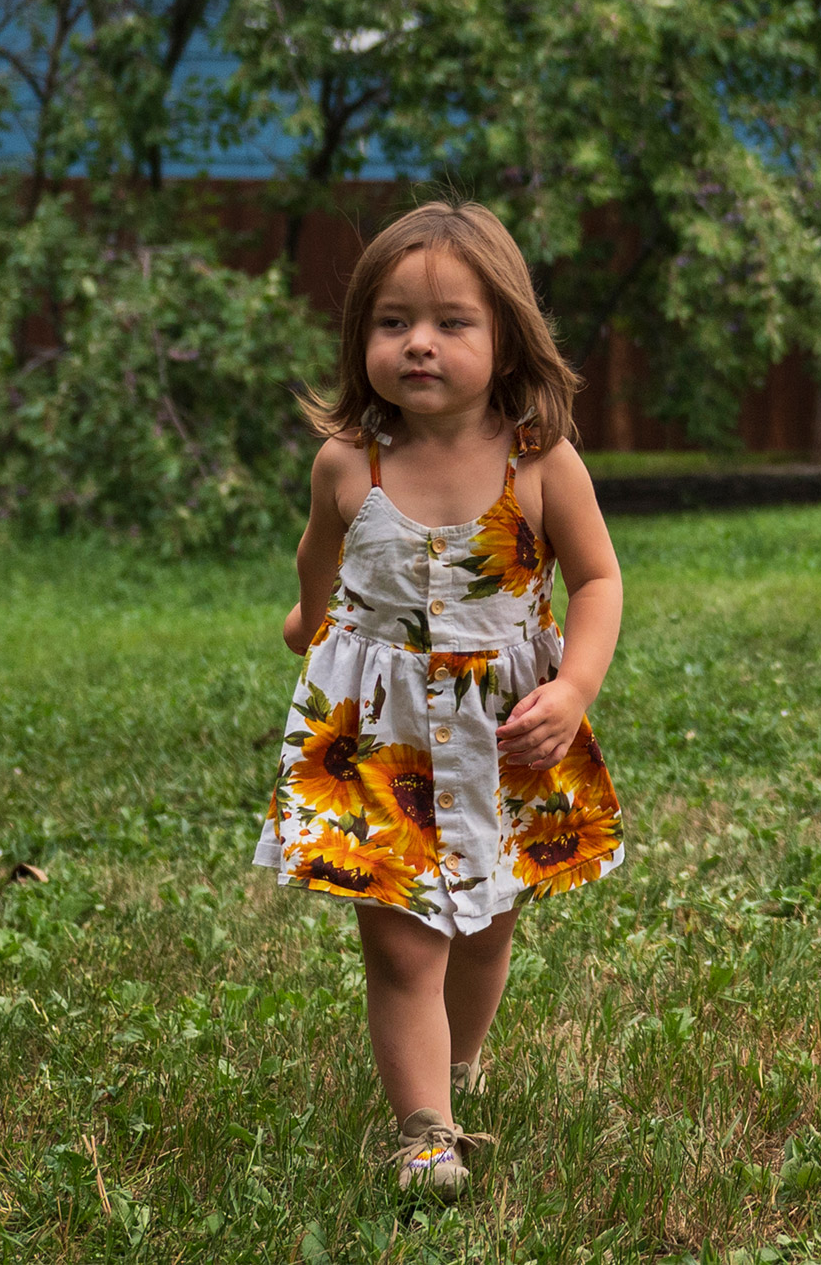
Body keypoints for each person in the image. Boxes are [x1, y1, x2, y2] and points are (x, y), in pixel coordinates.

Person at [255, 202, 627, 1199]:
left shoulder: (538, 463)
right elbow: (319, 555)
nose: (417, 342)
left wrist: (574, 684)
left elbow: (596, 582)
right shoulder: (349, 462)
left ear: (506, 336)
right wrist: (309, 620)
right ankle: (425, 1129)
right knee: (400, 936)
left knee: (483, 925)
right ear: (361, 340)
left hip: (499, 731)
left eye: (451, 322)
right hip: (373, 736)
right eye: (390, 322)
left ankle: (458, 1064)